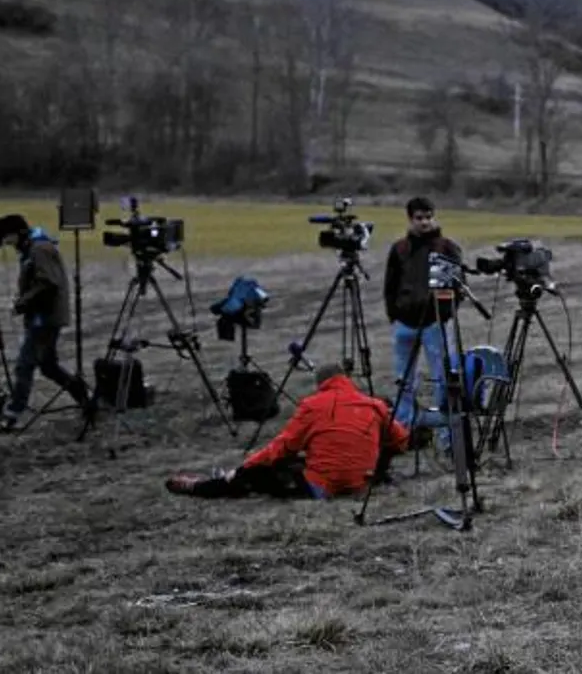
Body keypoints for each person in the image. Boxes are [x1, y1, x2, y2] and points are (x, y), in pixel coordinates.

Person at [167, 361, 409, 499]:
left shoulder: (312, 405)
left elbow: (282, 447)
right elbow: (401, 441)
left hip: (321, 487)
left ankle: (203, 486)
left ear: (320, 385)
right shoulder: (375, 405)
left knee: (264, 470)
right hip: (361, 483)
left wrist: (246, 466)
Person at [0, 226, 93, 432]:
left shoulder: (39, 249)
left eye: (9, 237)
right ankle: (85, 399)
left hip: (44, 318)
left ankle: (12, 415)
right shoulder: (36, 247)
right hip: (44, 316)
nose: (8, 243)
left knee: (25, 365)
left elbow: (48, 282)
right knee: (48, 366)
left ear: (19, 233)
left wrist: (23, 302)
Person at [382, 196, 464, 441]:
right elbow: (390, 284)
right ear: (410, 219)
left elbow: (458, 286)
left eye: (428, 217)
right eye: (419, 218)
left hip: (434, 323)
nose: (425, 222)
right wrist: (394, 313)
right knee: (403, 379)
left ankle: (445, 430)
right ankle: (404, 428)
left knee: (442, 376)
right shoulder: (399, 249)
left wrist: (446, 313)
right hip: (404, 323)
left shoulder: (447, 248)